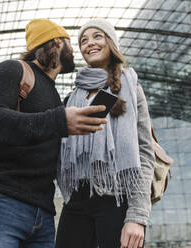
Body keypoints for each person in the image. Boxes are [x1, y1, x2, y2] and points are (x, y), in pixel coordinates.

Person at [0, 19, 107, 248]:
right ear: (57, 43)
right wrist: (60, 121)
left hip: (42, 215)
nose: (74, 51)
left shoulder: (56, 96)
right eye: (70, 43)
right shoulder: (12, 69)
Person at [56, 19, 155, 248]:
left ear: (111, 43)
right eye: (83, 40)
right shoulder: (74, 97)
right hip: (77, 200)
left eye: (97, 36)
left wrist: (137, 217)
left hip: (117, 199)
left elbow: (145, 153)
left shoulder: (131, 87)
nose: (89, 43)